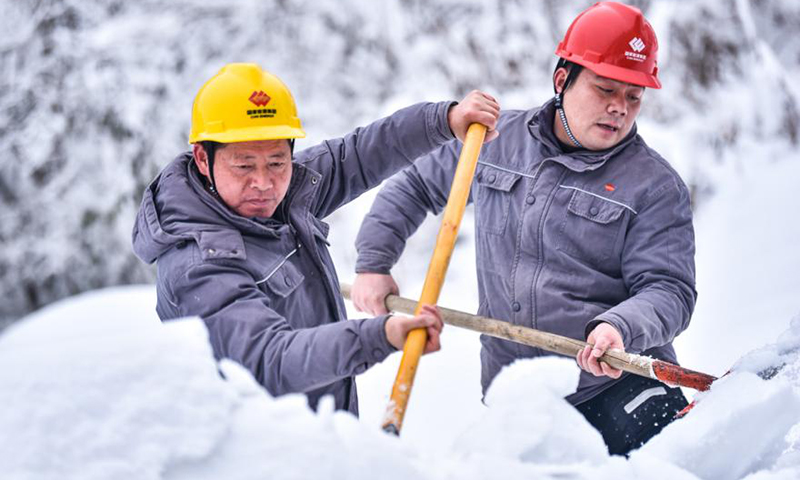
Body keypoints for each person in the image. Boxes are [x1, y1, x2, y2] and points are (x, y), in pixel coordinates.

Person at [351, 2, 696, 455]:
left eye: (633, 96)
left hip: (620, 392)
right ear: (562, 80)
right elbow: (415, 185)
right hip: (521, 402)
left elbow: (670, 290)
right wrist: (374, 261)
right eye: (605, 89)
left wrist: (620, 327)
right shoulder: (492, 142)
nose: (619, 109)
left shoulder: (653, 185)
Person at [132, 63, 500, 414]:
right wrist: (379, 336)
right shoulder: (198, 266)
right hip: (261, 453)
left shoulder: (284, 196)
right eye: (243, 165)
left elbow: (355, 157)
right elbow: (271, 358)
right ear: (202, 158)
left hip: (321, 432)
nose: (263, 182)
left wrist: (443, 121)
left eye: (277, 162)